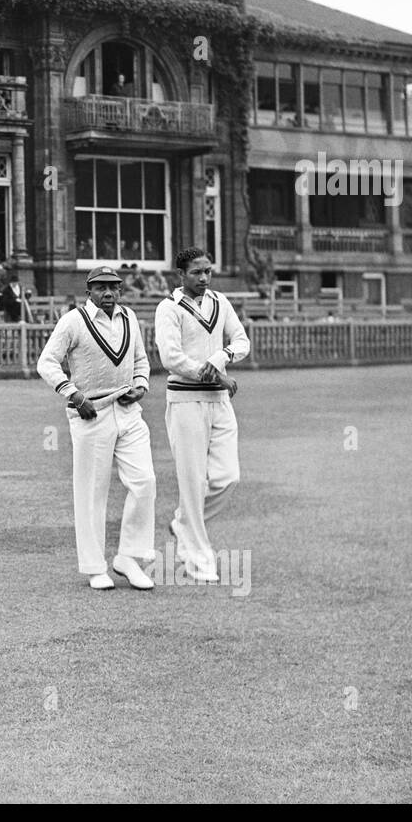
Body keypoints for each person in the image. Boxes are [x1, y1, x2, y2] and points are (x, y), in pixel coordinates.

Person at [37, 265, 157, 590]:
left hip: (129, 410)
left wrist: (141, 385)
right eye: (101, 287)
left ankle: (130, 557)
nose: (108, 293)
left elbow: (141, 360)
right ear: (88, 290)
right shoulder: (74, 320)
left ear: (120, 290)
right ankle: (94, 567)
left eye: (114, 287)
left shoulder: (129, 317)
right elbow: (47, 361)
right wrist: (73, 395)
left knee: (145, 482)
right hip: (91, 413)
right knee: (93, 492)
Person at [154, 247, 251, 583]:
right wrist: (212, 374)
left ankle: (183, 522)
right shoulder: (168, 308)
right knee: (193, 481)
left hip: (219, 402)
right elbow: (172, 358)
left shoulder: (219, 302)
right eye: (197, 273)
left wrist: (222, 358)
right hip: (185, 402)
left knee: (227, 476)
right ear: (180, 275)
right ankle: (199, 558)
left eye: (208, 271)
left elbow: (241, 340)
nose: (204, 278)